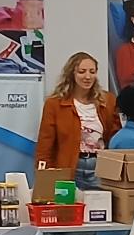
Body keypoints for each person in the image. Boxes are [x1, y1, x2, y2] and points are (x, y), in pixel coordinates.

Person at [36, 51, 122, 186]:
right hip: (69, 169)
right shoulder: (54, 104)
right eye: (82, 72)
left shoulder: (108, 101)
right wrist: (44, 177)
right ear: (72, 74)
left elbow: (115, 138)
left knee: (99, 206)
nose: (88, 77)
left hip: (99, 167)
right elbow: (45, 146)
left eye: (92, 72)